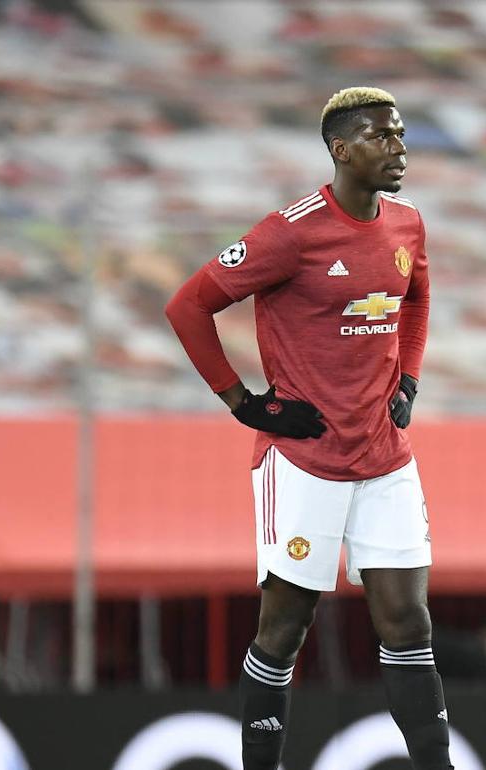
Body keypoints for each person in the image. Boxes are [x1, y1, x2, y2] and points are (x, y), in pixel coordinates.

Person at [164, 87, 452, 770]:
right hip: (304, 461)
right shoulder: (290, 232)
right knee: (286, 629)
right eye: (381, 137)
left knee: (408, 622)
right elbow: (187, 307)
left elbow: (416, 300)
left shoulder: (407, 224)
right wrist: (244, 403)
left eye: (402, 135)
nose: (398, 148)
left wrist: (407, 378)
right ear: (340, 150)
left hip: (384, 457)